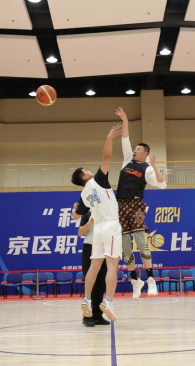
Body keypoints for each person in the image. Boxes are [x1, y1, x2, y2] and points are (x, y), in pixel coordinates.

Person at [71, 124, 123, 322]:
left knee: (94, 266)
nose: (90, 170)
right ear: (85, 177)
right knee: (112, 266)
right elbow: (106, 157)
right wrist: (109, 138)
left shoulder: (84, 194)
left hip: (98, 230)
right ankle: (108, 302)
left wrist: (74, 211)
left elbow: (77, 215)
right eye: (87, 170)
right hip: (110, 225)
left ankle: (86, 299)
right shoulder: (98, 180)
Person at [114, 106, 167, 299]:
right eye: (134, 149)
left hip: (136, 205)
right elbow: (125, 138)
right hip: (120, 206)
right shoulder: (127, 160)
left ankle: (151, 280)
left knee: (141, 242)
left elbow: (163, 185)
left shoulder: (148, 169)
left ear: (145, 153)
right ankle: (135, 281)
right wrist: (125, 120)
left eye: (138, 149)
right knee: (125, 247)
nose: (134, 150)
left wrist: (154, 166)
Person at [78, 212, 110, 327]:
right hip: (90, 247)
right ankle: (87, 316)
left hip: (103, 248)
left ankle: (97, 315)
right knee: (92, 284)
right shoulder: (87, 213)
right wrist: (90, 222)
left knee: (101, 282)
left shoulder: (107, 213)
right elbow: (80, 233)